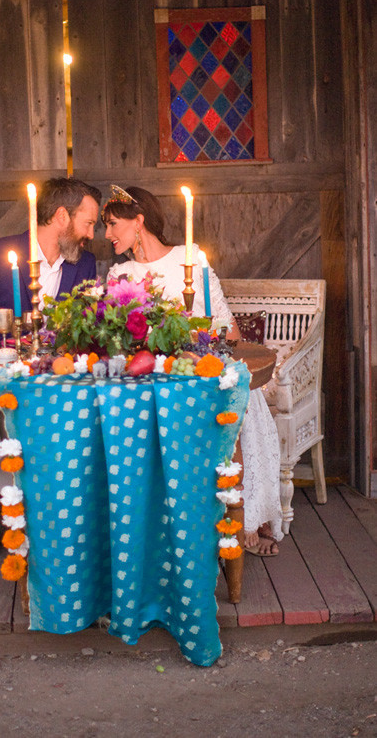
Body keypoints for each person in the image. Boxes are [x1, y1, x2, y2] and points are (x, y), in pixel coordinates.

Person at [102, 185, 283, 556]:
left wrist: (214, 354)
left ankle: (241, 516)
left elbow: (225, 327)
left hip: (201, 367)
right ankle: (175, 523)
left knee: (231, 403)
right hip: (152, 379)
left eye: (112, 224)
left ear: (138, 222)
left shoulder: (189, 257)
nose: (107, 235)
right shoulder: (119, 274)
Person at [0, 176, 101, 563]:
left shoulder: (83, 262)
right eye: (87, 222)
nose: (91, 234)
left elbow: (83, 325)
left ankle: (53, 521)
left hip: (56, 376)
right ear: (61, 216)